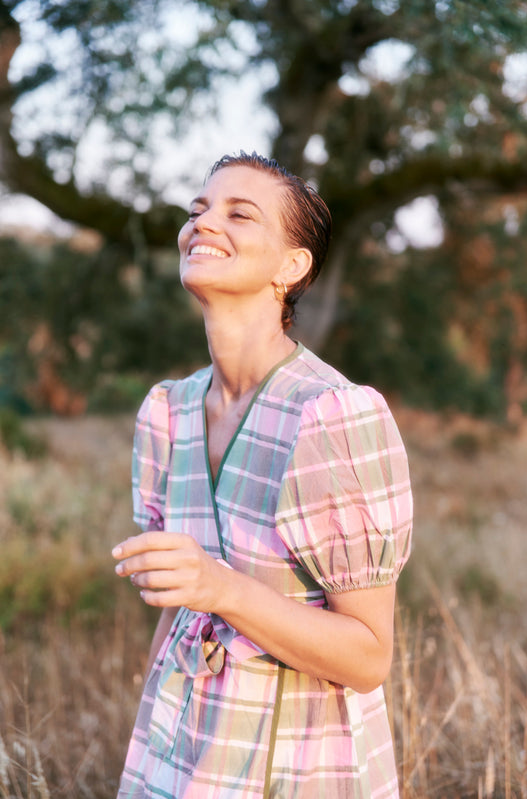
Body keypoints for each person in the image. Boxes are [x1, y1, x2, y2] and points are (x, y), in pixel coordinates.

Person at [112, 151, 413, 799]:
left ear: (291, 266)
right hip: (178, 751)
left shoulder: (332, 414)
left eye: (237, 213)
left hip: (296, 761)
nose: (202, 223)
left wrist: (221, 585)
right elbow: (179, 612)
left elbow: (368, 656)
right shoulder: (168, 411)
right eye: (197, 210)